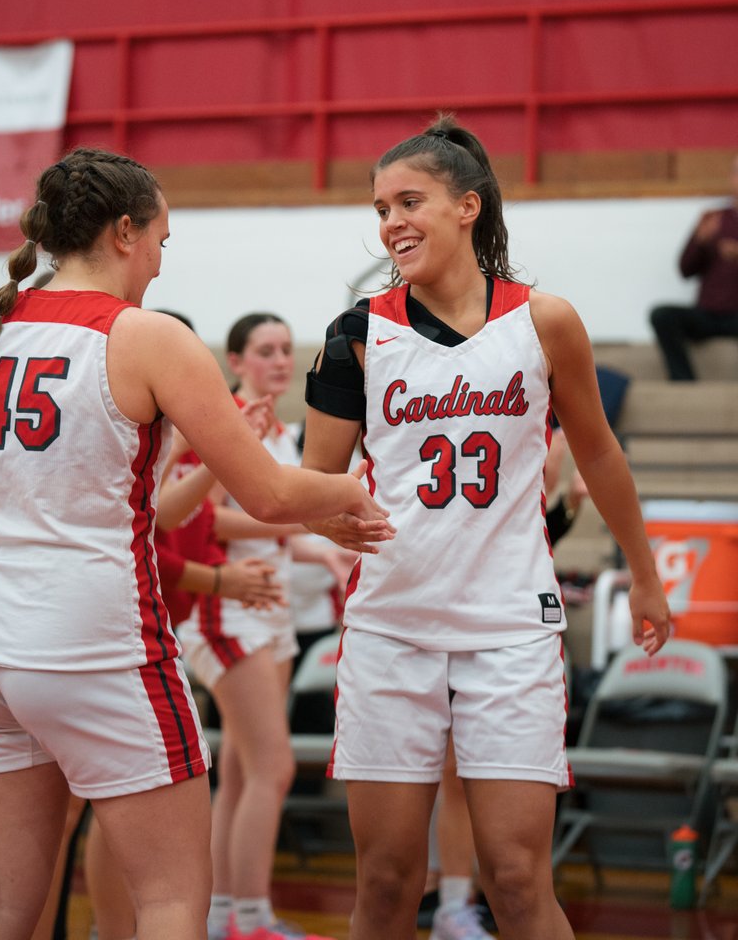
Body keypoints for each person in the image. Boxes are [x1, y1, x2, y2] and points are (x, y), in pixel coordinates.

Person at [0, 147, 390, 940]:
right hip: (88, 640)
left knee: (1, 902)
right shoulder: (144, 336)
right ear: (123, 232)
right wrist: (361, 490)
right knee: (171, 900)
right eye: (160, 241)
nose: (157, 261)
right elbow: (273, 492)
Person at [302, 114, 670, 940]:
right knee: (389, 884)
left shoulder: (546, 321)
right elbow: (314, 483)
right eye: (379, 209)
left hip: (510, 625)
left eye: (409, 201)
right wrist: (333, 517)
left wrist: (645, 574)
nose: (391, 222)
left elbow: (602, 457)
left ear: (467, 206)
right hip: (392, 625)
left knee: (515, 878)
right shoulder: (355, 335)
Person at [178, 311, 356, 940]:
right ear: (235, 362)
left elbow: (278, 532)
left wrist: (327, 552)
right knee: (273, 767)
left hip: (270, 607)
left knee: (244, 772)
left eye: (286, 349)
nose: (280, 360)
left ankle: (225, 911)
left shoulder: (281, 431)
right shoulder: (223, 420)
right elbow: (203, 521)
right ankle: (251, 917)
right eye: (264, 350)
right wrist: (303, 522)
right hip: (227, 609)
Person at [649, 153, 738, 380]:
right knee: (662, 315)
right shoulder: (714, 218)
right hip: (708, 313)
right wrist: (700, 242)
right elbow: (685, 270)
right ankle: (684, 383)